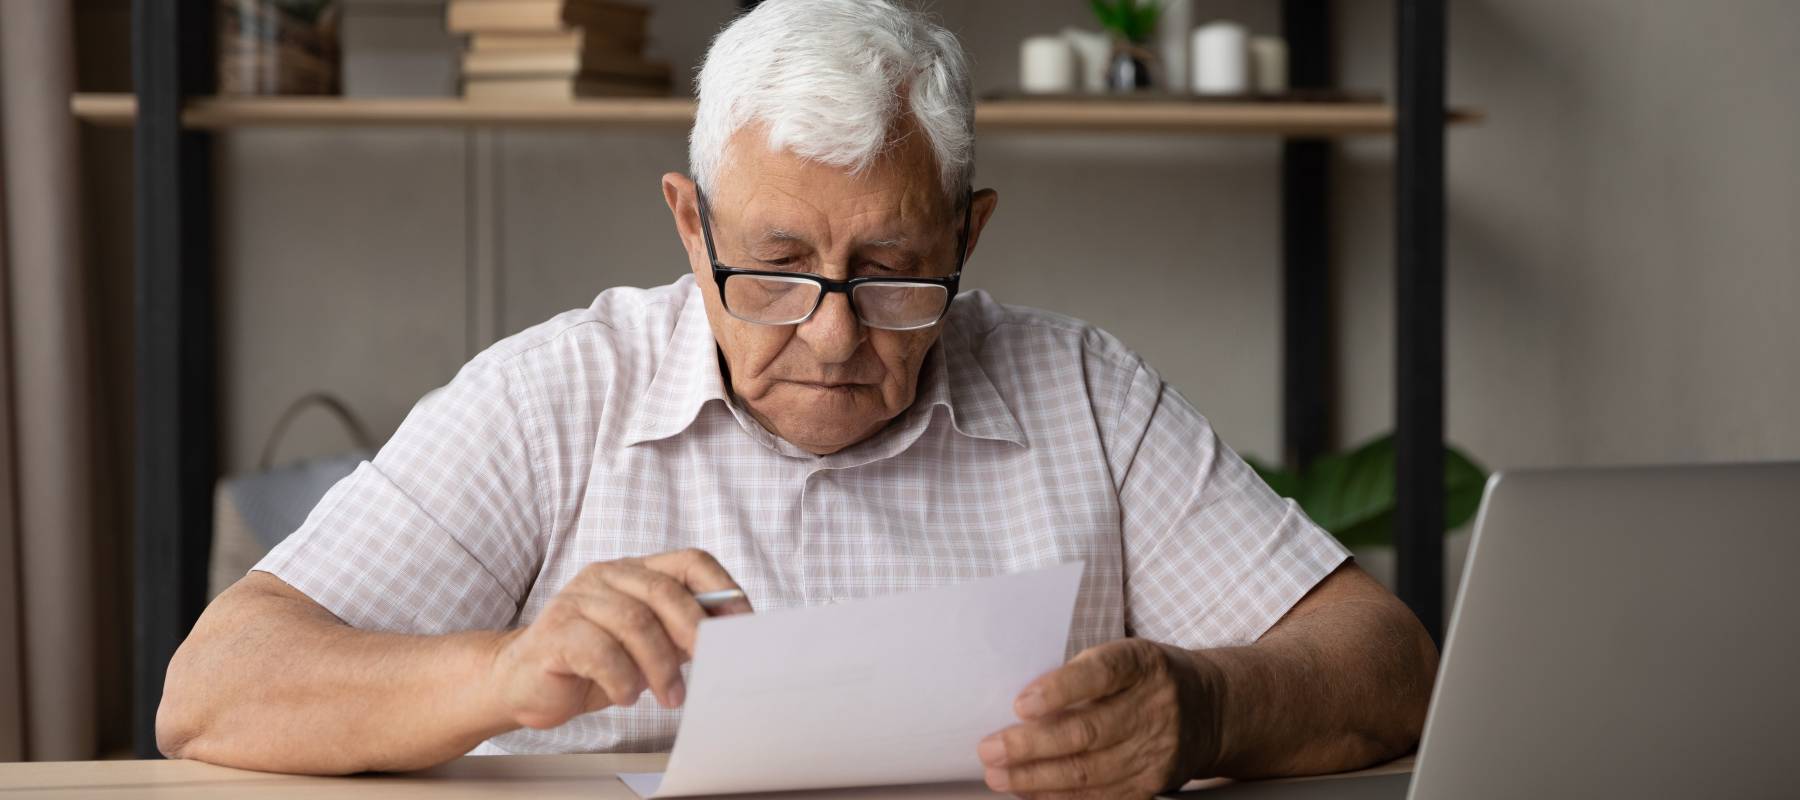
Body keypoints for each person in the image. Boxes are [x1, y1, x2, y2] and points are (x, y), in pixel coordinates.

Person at [157, 1, 1437, 796]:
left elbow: (1388, 663)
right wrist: (500, 669)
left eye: (890, 272)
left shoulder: (1085, 392)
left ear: (968, 235)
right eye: (772, 268)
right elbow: (214, 691)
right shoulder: (554, 395)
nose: (830, 333)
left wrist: (1207, 703)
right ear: (687, 222)